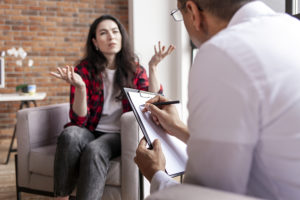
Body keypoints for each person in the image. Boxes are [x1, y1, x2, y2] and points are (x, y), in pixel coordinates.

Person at [134, 1, 300, 199]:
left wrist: (156, 174)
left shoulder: (224, 51)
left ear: (193, 12)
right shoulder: (292, 28)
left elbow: (207, 193)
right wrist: (177, 126)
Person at [50, 14, 175, 200]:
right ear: (95, 42)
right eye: (104, 33)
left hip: (118, 134)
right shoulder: (83, 70)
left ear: (122, 37)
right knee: (69, 134)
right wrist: (80, 87)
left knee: (95, 150)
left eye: (115, 32)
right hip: (91, 129)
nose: (111, 37)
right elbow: (78, 120)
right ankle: (60, 197)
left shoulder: (135, 70)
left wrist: (153, 67)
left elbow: (152, 101)